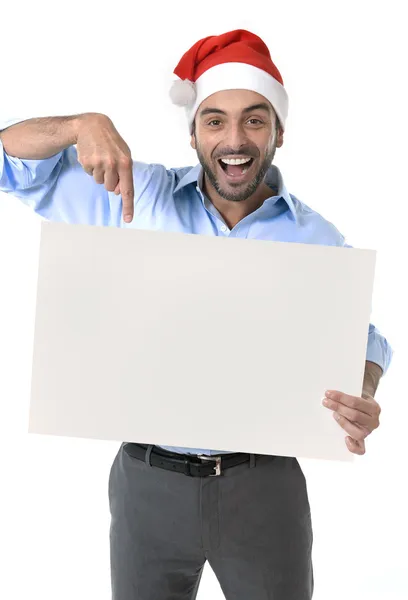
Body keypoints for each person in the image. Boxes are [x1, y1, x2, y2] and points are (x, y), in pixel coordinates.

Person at [0, 29, 393, 600]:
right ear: (193, 133)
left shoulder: (315, 235)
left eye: (255, 120)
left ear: (280, 132)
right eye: (215, 120)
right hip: (147, 483)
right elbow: (9, 161)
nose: (235, 138)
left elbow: (365, 337)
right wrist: (79, 124)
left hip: (265, 487)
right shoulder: (131, 196)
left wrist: (362, 386)